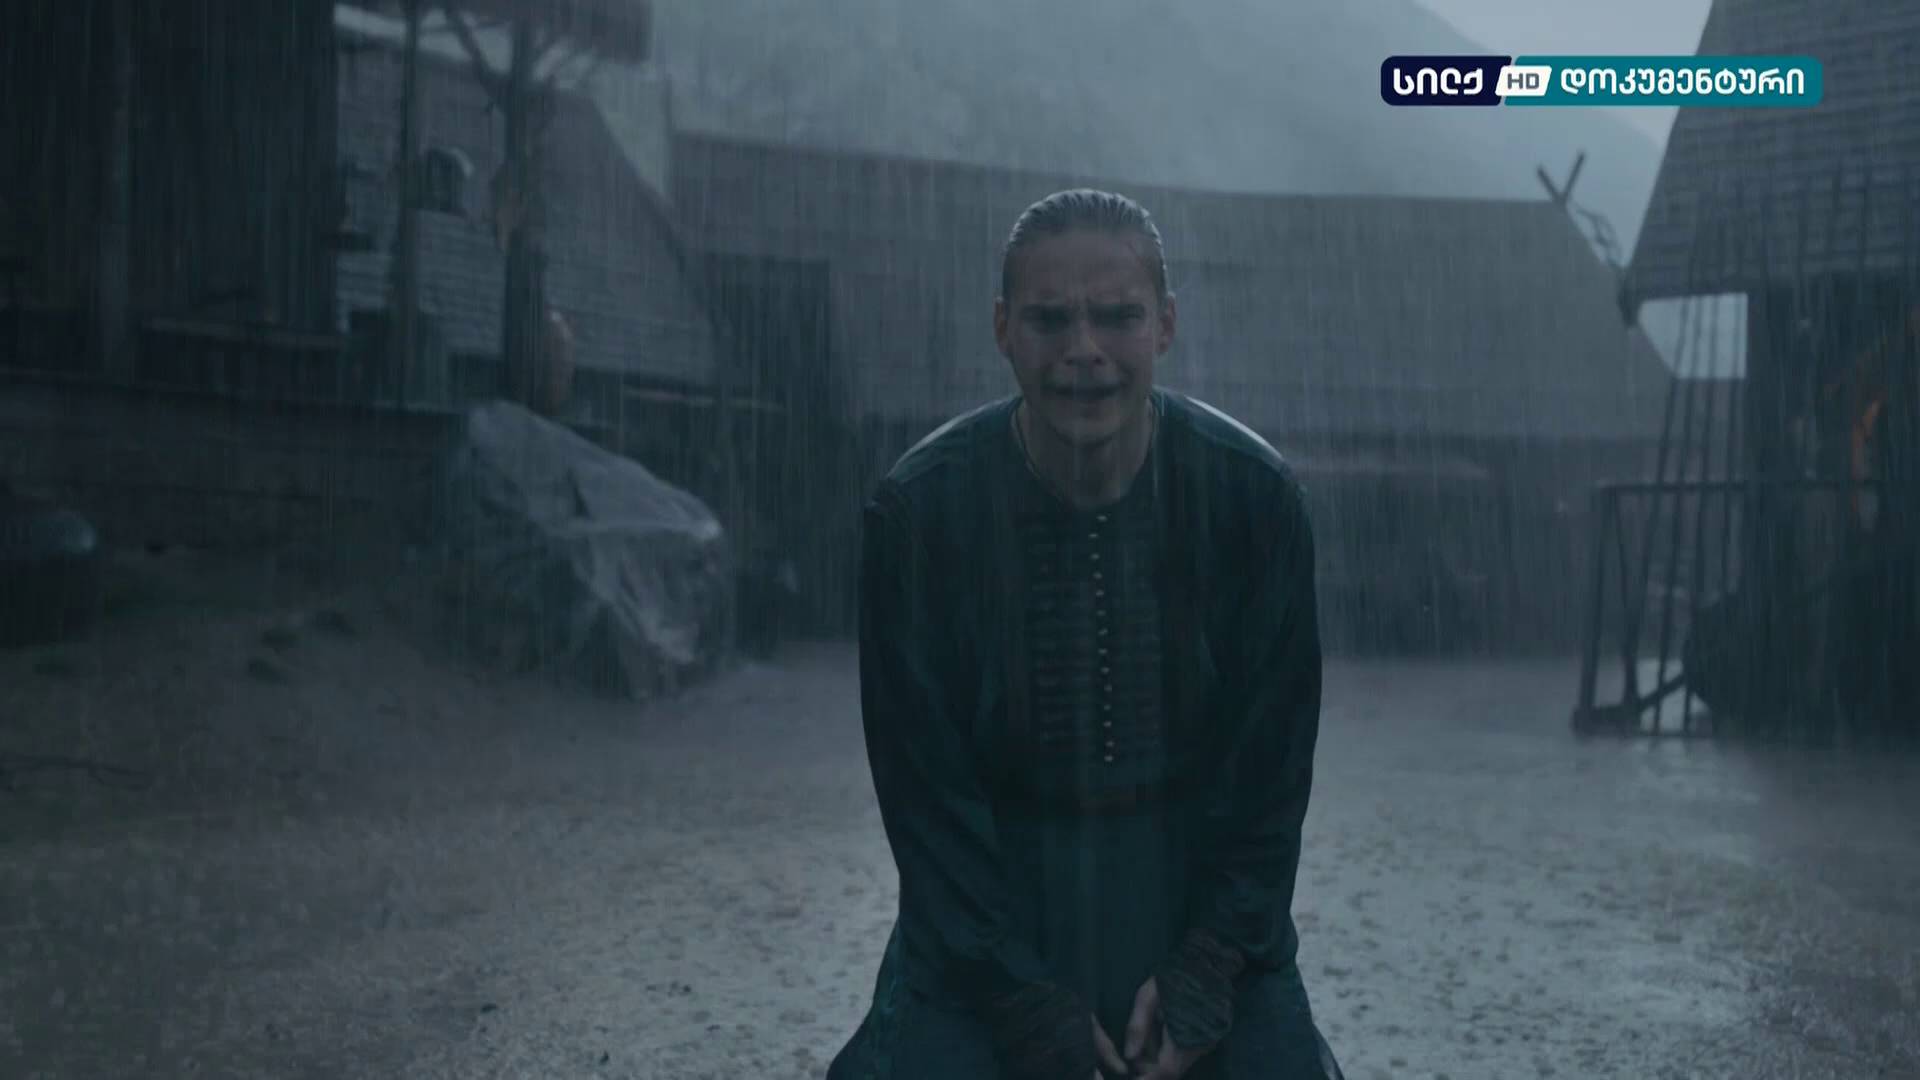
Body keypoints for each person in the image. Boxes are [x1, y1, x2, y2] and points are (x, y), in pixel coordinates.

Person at [826, 189, 1343, 1080]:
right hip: (989, 917)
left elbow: (1269, 785)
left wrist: (1207, 968)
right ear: (1003, 328)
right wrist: (1022, 1003)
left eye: (1116, 317)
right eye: (1050, 319)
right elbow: (928, 806)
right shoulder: (919, 517)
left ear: (1165, 324)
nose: (1084, 350)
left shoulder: (1255, 503)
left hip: (1200, 903)